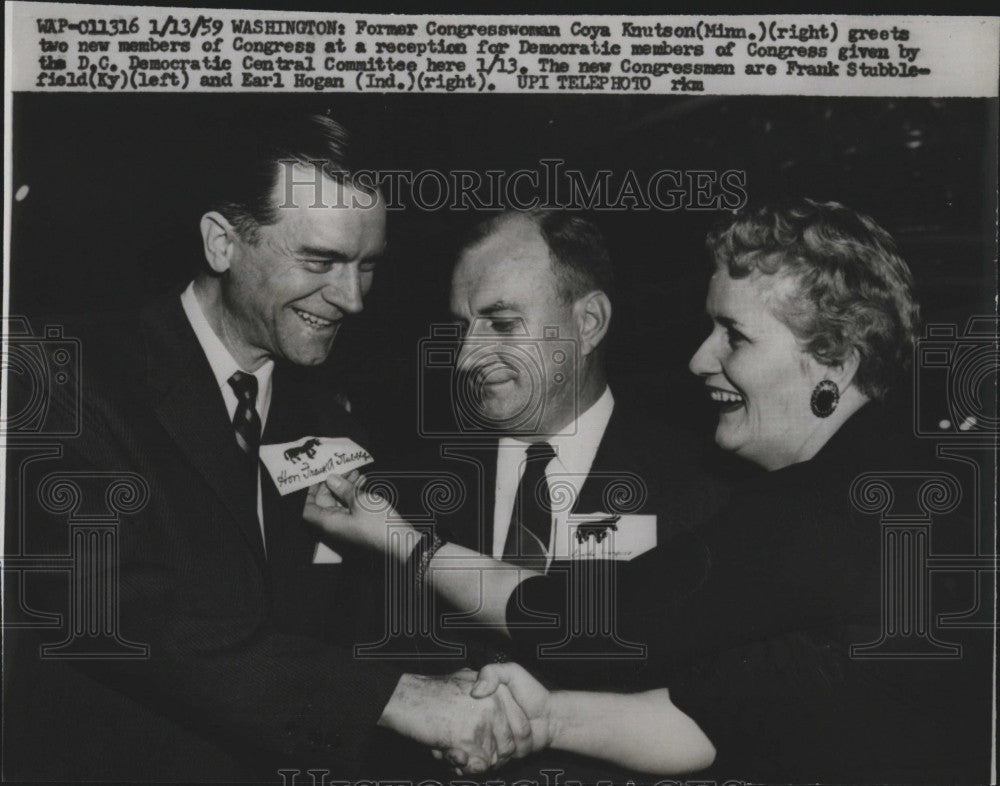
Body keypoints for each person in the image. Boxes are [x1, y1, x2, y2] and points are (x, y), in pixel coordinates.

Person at [306, 199, 990, 783]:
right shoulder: (903, 479)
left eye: (735, 336)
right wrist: (543, 721)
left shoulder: (823, 511)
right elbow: (714, 711)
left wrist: (397, 538)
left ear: (836, 362)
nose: (699, 359)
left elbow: (583, 620)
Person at [3, 113, 535, 781]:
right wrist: (395, 698)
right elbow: (119, 613)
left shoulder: (332, 416)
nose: (352, 299)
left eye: (367, 266)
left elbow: (355, 614)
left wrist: (476, 686)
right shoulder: (67, 377)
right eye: (321, 261)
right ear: (223, 243)